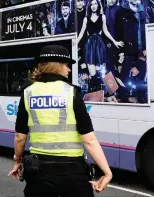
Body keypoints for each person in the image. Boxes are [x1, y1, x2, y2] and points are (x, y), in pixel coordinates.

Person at [8, 44, 113, 197]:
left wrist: (18, 160)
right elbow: (89, 139)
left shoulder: (28, 93)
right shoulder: (72, 92)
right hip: (73, 173)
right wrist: (107, 172)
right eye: (66, 65)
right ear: (57, 66)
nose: (68, 69)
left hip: (39, 172)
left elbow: (20, 136)